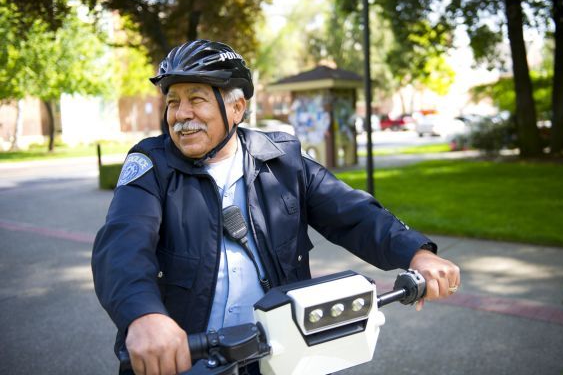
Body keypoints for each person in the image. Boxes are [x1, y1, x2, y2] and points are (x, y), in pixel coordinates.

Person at [92, 39, 460, 375]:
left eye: (196, 99)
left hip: (279, 354)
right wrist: (144, 314)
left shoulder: (282, 159)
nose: (180, 113)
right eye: (172, 101)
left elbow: (355, 214)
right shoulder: (151, 165)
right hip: (187, 358)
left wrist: (417, 253)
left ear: (236, 107)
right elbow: (123, 246)